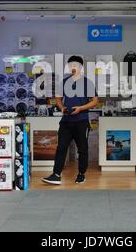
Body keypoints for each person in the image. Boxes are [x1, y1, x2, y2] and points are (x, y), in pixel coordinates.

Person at [42, 56, 99, 185]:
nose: (72, 67)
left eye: (75, 65)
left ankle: (81, 174)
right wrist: (62, 107)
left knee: (82, 149)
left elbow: (95, 101)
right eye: (70, 65)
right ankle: (56, 175)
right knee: (61, 148)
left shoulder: (87, 83)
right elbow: (58, 98)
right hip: (66, 121)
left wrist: (81, 108)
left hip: (81, 121)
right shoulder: (64, 82)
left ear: (80, 67)